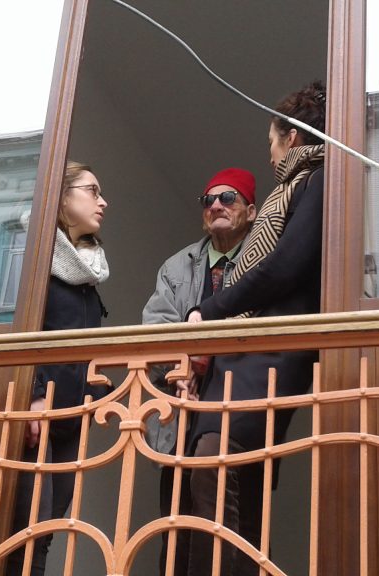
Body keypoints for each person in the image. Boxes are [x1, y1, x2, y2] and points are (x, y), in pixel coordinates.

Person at [184, 81, 327, 575]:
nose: (269, 156)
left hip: (270, 353)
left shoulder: (317, 180)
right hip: (246, 355)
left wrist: (211, 309)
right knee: (232, 478)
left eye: (271, 142)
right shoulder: (294, 187)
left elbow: (285, 267)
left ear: (292, 137)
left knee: (216, 461)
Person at [141, 167, 258, 574]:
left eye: (228, 198)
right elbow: (155, 329)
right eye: (209, 200)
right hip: (179, 411)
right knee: (175, 527)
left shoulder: (263, 261)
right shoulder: (176, 266)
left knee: (238, 525)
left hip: (237, 407)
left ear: (251, 211)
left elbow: (261, 327)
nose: (216, 206)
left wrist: (203, 356)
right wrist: (183, 365)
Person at [6, 161, 109, 576]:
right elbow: (14, 328)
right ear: (62, 196)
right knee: (26, 526)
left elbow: (81, 345)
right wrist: (32, 392)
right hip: (37, 412)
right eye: (93, 191)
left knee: (46, 531)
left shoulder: (88, 271)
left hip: (71, 417)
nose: (104, 202)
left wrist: (97, 395)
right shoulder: (30, 252)